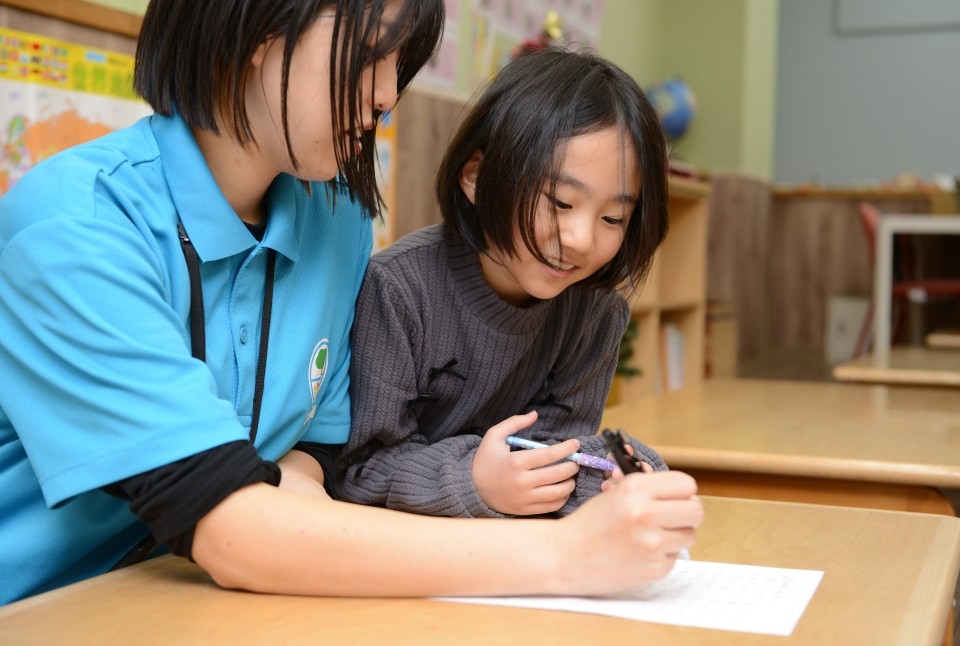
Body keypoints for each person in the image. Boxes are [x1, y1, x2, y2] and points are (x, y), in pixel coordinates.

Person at [0, 0, 702, 606]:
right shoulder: (77, 227)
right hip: (47, 606)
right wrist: (568, 558)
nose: (387, 94)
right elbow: (232, 529)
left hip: (199, 598)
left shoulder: (333, 221)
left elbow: (311, 460)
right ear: (255, 32)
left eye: (401, 64)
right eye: (369, 56)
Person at [339, 47, 673, 519]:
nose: (580, 239)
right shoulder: (397, 290)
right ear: (476, 176)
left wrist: (606, 481)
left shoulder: (595, 314)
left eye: (613, 217)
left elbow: (555, 453)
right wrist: (475, 480)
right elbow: (359, 470)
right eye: (559, 202)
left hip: (510, 557)